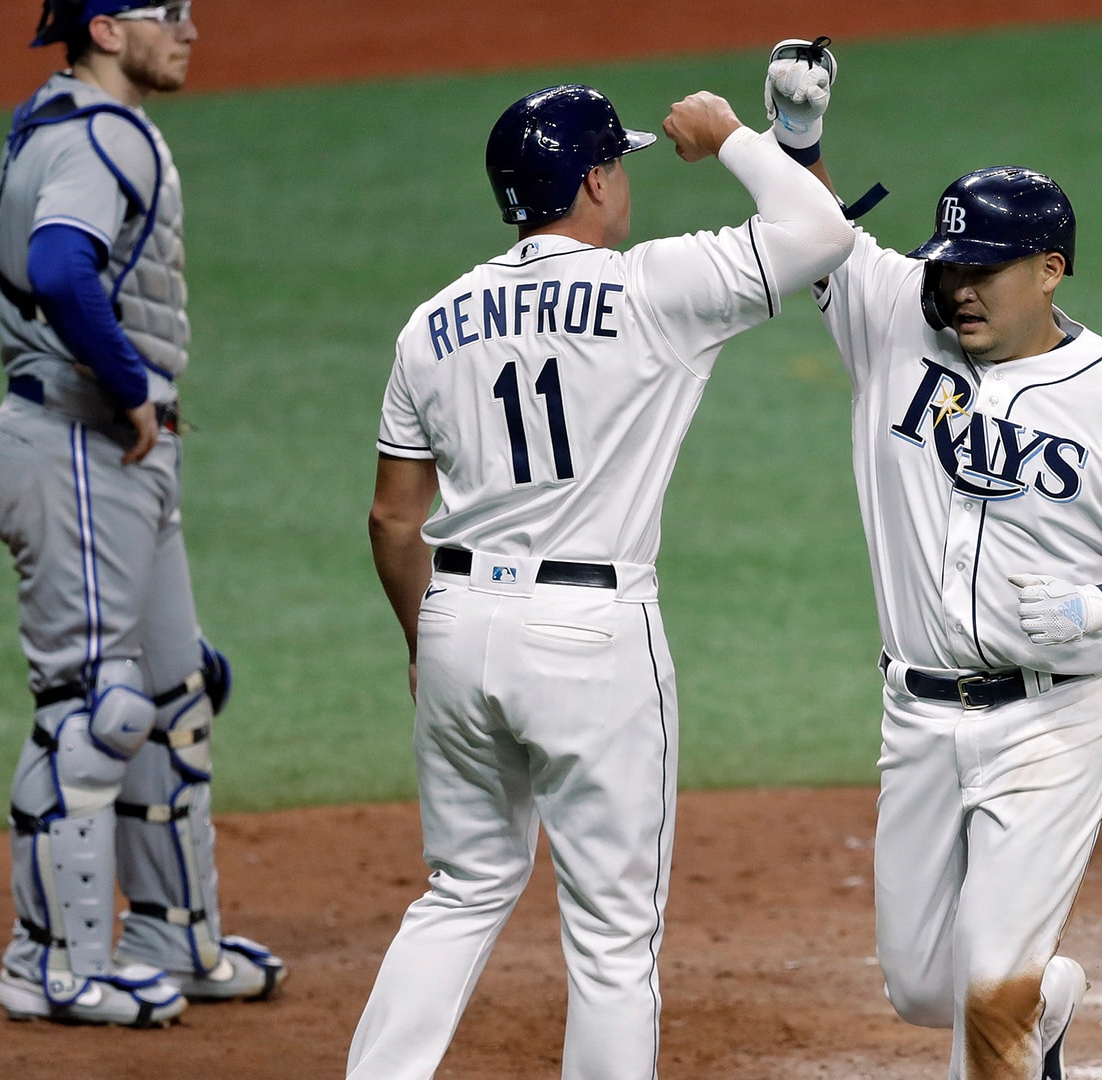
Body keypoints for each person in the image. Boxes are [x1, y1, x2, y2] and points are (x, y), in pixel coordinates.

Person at [347, 84, 851, 1080]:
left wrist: (424, 640)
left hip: (454, 619)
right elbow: (820, 232)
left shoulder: (431, 322)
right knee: (615, 937)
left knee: (463, 888)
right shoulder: (653, 288)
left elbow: (393, 516)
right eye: (615, 166)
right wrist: (738, 139)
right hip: (587, 635)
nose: (625, 184)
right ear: (592, 182)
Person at [762, 41, 1102, 1079]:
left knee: (986, 1003)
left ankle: (1020, 1002)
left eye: (983, 270)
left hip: (1051, 719)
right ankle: (1046, 1003)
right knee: (925, 987)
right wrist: (799, 139)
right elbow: (814, 237)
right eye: (949, 265)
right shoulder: (894, 321)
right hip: (917, 715)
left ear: (1050, 270)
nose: (957, 288)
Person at [0, 0, 287, 1028]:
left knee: (176, 694)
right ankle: (50, 964)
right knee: (93, 711)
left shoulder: (76, 123)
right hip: (76, 441)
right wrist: (129, 384)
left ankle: (172, 936)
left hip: (111, 454)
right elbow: (62, 269)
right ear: (106, 29)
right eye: (167, 12)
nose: (190, 28)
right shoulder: (96, 135)